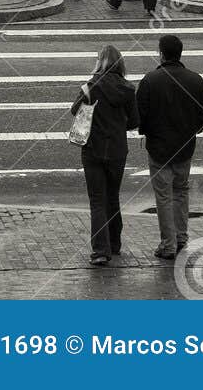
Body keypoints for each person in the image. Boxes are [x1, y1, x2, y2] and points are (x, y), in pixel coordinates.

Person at [136, 33, 203, 261]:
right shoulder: (195, 79)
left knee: (163, 196)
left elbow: (140, 115)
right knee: (181, 191)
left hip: (159, 149)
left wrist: (147, 130)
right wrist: (193, 130)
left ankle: (168, 244)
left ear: (161, 54)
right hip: (185, 148)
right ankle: (181, 236)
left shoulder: (150, 80)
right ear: (180, 53)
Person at [70, 44, 138, 266]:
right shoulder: (128, 89)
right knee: (112, 197)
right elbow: (135, 121)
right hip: (117, 150)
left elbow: (74, 111)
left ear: (99, 62)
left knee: (97, 200)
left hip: (93, 150)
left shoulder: (90, 87)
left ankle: (101, 251)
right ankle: (115, 244)